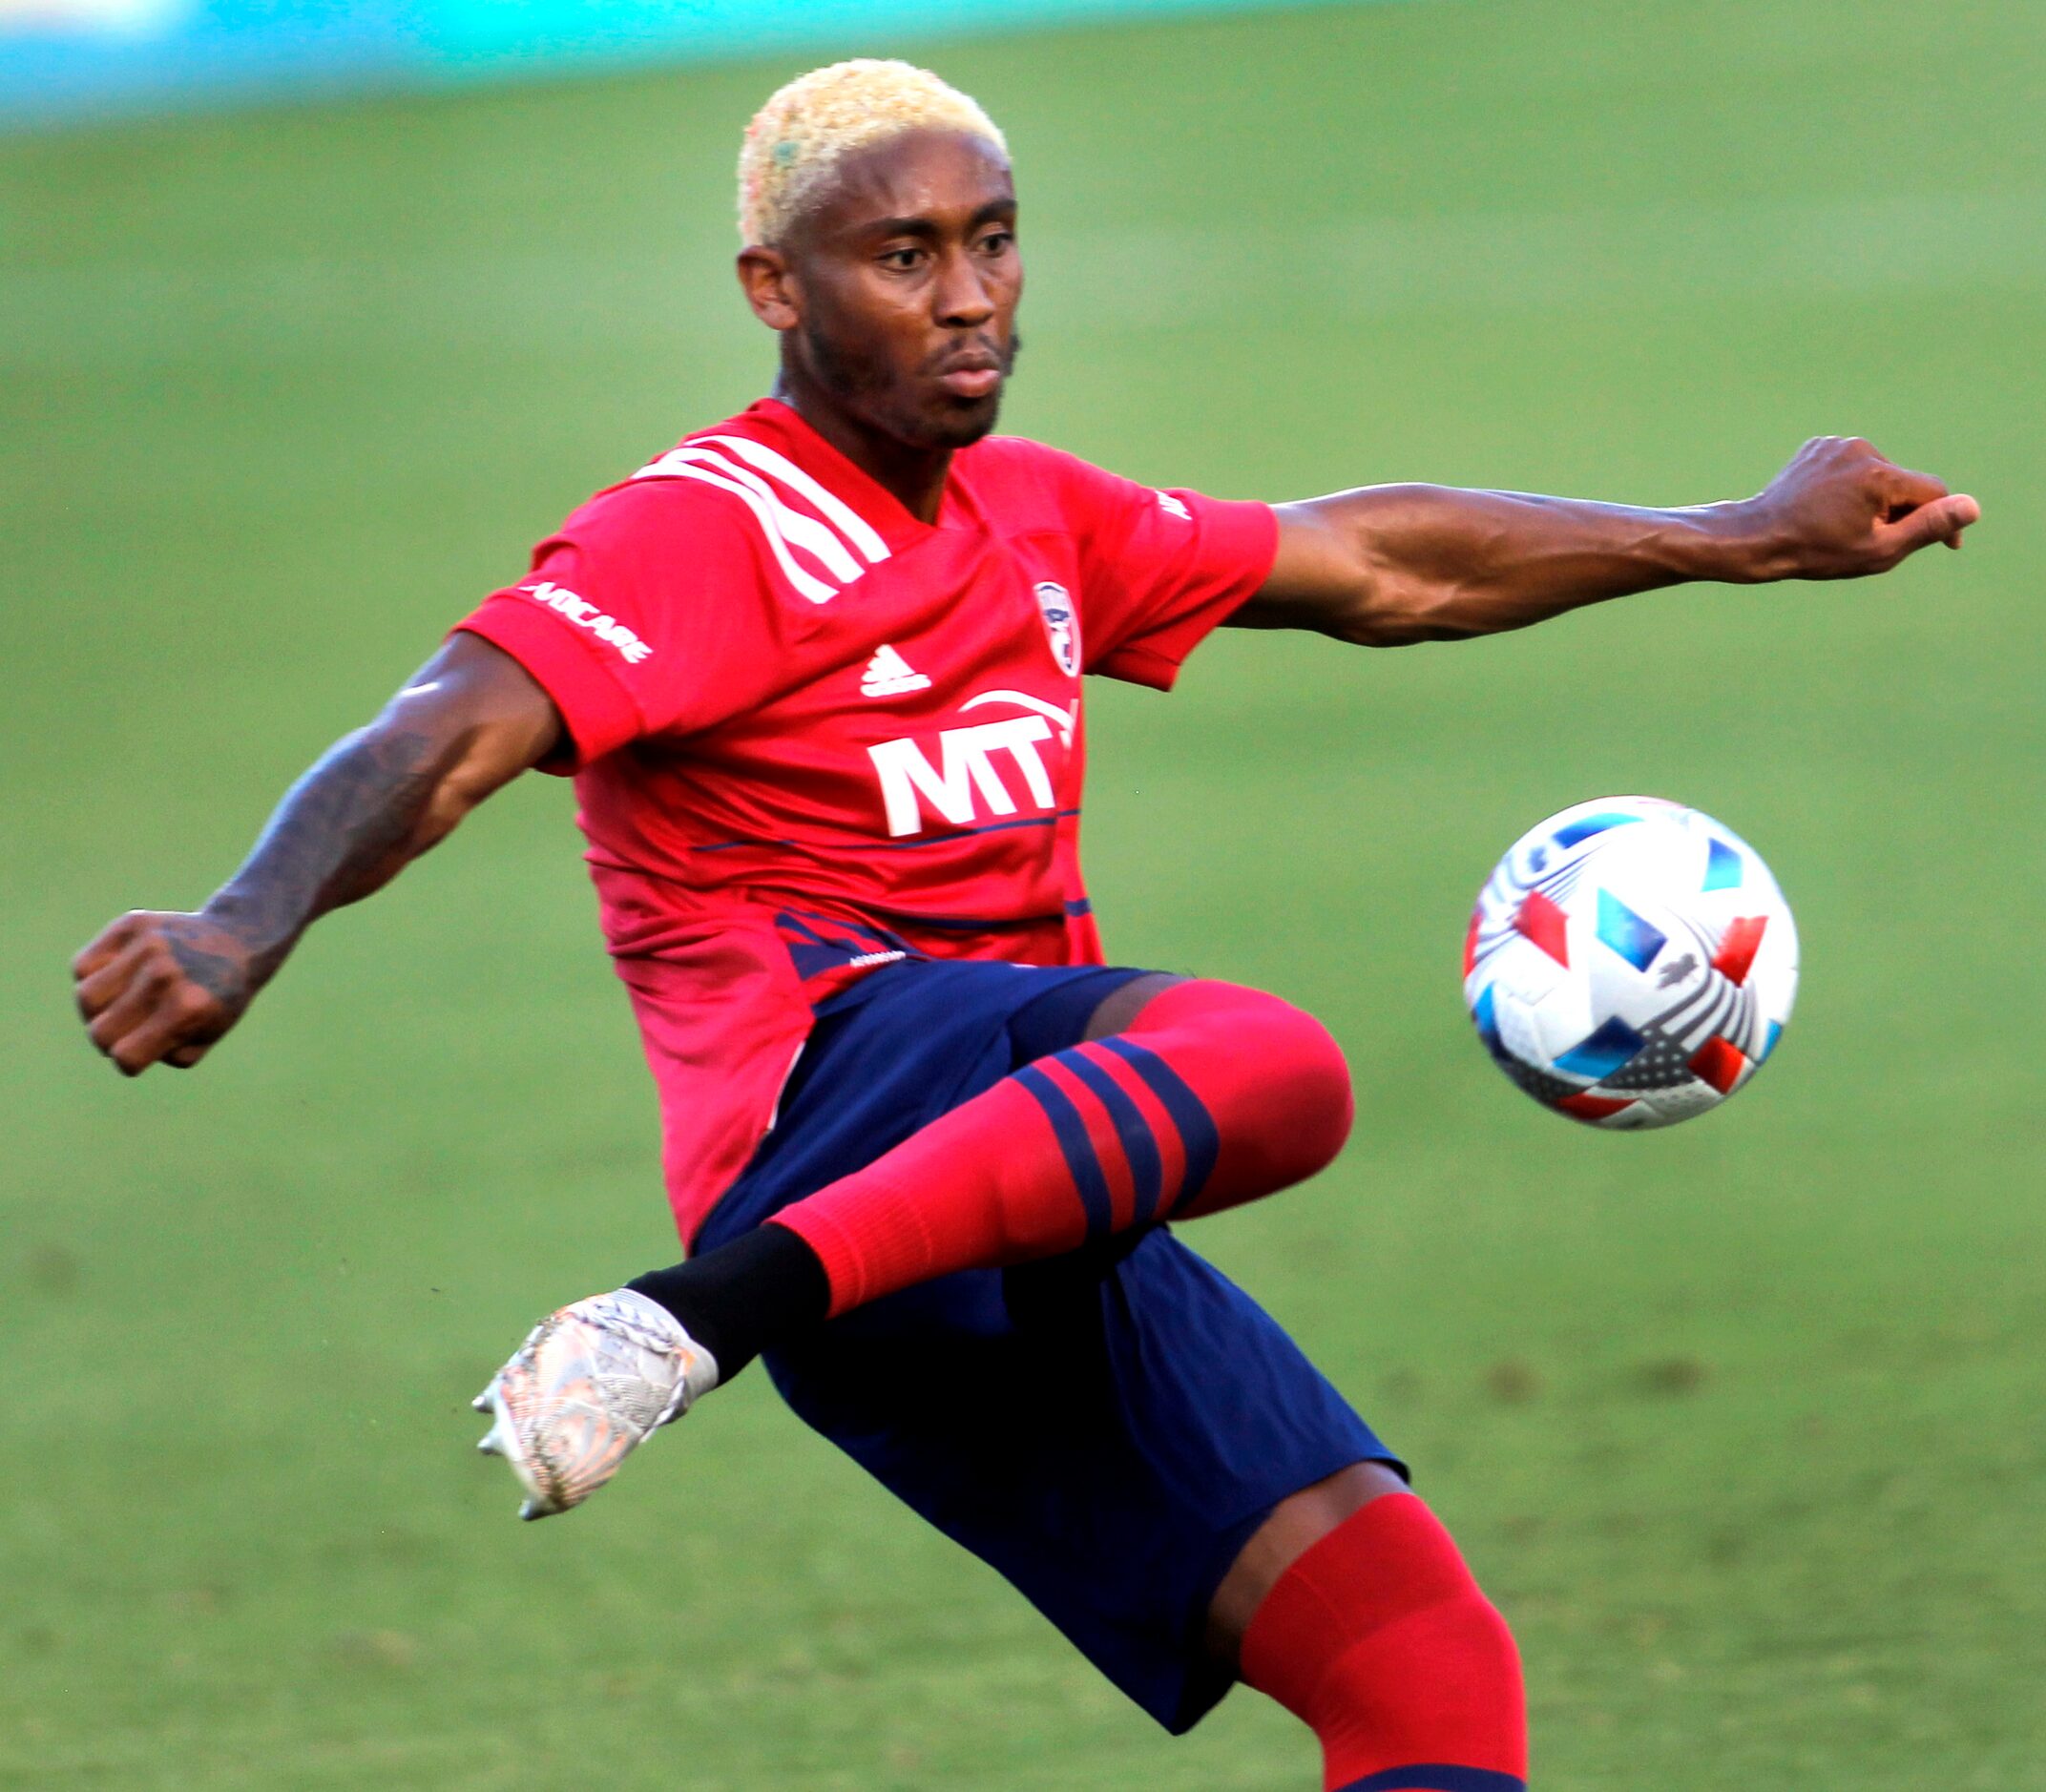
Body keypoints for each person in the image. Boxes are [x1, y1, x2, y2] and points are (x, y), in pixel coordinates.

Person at [73, 59, 1977, 1792]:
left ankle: (711, 1323)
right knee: (1269, 1065)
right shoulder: (704, 527)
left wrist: (1740, 535)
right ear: (773, 288)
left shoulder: (1033, 517)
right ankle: (667, 1331)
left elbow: (1382, 562)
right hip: (827, 1103)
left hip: (1012, 1194)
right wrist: (248, 921)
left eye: (991, 242)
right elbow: (443, 734)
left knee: (1424, 1673)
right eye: (902, 253)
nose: (969, 294)